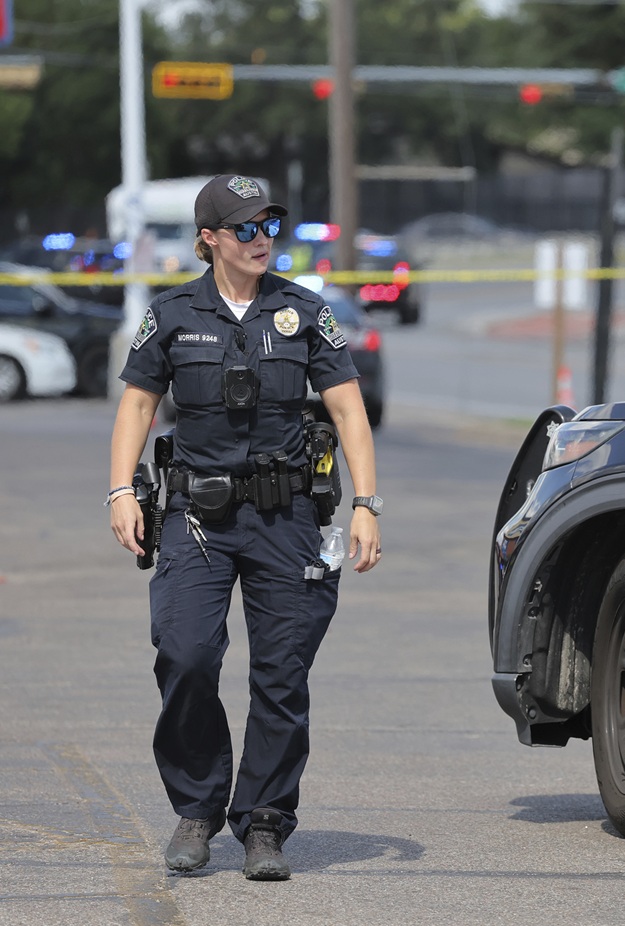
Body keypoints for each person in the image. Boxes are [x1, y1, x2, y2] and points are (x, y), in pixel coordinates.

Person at [107, 175, 383, 881]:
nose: (261, 240)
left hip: (286, 517)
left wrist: (365, 504)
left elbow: (349, 411)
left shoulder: (303, 311)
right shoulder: (172, 314)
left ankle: (264, 822)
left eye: (269, 226)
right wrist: (120, 489)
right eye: (245, 228)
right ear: (210, 238)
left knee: (282, 675)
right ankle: (197, 810)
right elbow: (138, 406)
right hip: (196, 519)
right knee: (186, 654)